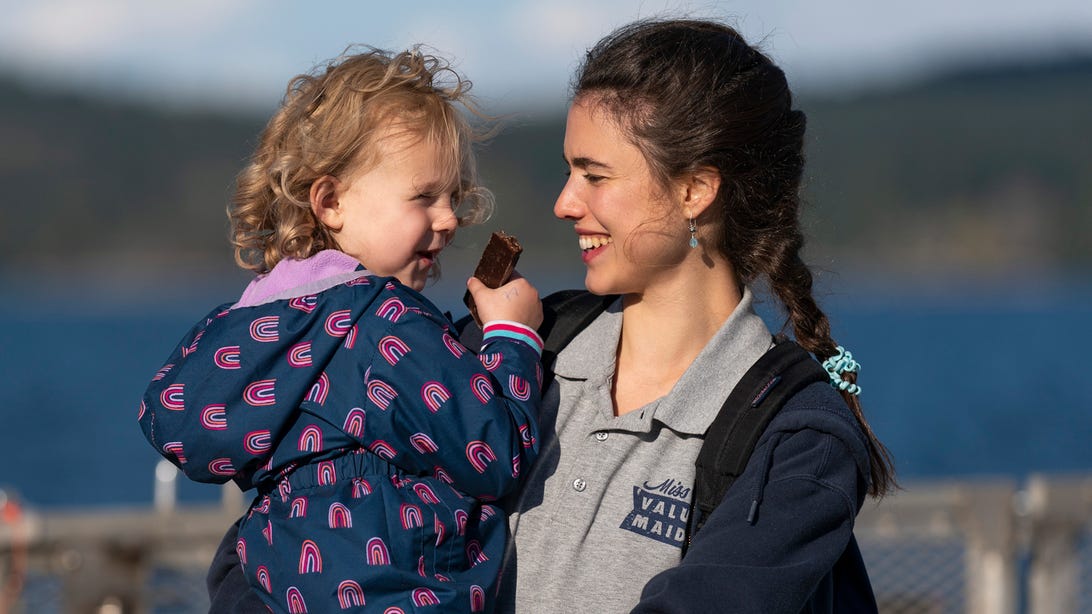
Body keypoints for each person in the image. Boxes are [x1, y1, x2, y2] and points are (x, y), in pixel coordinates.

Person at [207, 18, 895, 613]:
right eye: (569, 172)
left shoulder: (797, 440)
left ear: (694, 189)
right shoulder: (505, 348)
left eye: (595, 176)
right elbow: (278, 536)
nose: (566, 202)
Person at [138, 46, 544, 613]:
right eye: (424, 196)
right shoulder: (381, 320)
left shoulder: (261, 321)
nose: (450, 219)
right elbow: (495, 455)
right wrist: (511, 338)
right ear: (330, 202)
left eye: (454, 197)